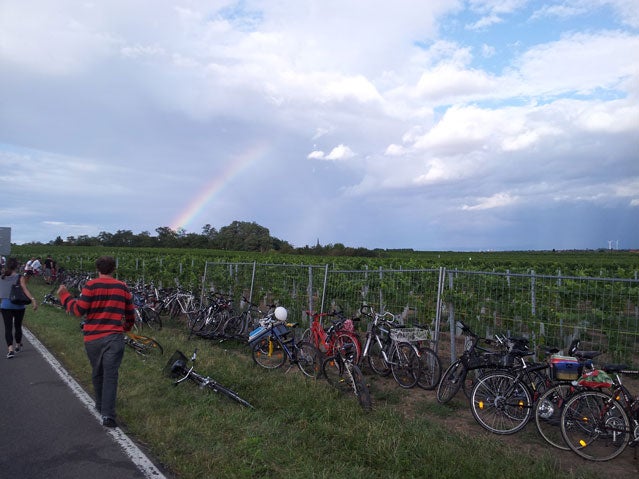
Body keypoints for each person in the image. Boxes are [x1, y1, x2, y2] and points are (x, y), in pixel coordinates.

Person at [57, 256, 135, 428]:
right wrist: (126, 327)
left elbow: (78, 311)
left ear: (97, 269)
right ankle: (108, 414)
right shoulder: (122, 287)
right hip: (114, 338)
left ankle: (100, 406)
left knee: (98, 372)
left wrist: (64, 296)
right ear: (114, 269)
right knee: (111, 375)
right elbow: (130, 313)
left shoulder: (91, 286)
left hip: (93, 338)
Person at [0, 258, 38, 358]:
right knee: (17, 326)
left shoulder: (2, 277)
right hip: (19, 306)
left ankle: (10, 350)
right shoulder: (20, 277)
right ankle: (18, 345)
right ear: (17, 266)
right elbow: (25, 290)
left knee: (8, 328)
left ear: (6, 265)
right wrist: (33, 300)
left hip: (5, 306)